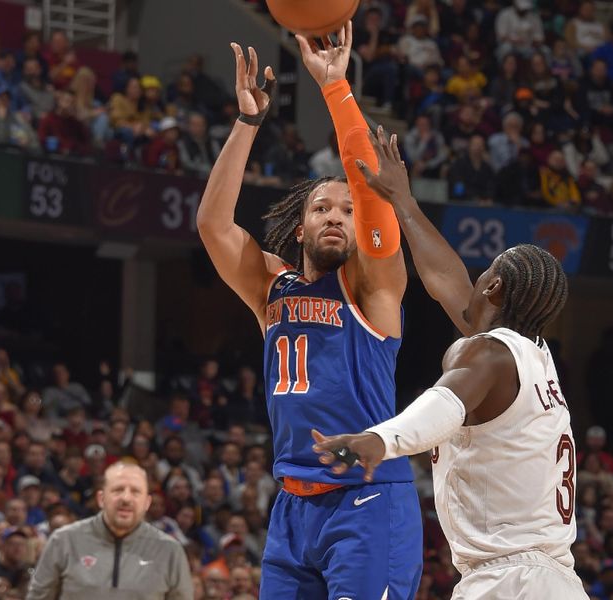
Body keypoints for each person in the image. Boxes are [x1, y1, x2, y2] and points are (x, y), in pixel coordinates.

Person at [196, 23, 422, 599]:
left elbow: (373, 192)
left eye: (347, 210)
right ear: (301, 225)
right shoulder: (272, 286)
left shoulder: (375, 286)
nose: (337, 216)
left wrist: (336, 89)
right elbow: (213, 226)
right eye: (323, 207)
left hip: (366, 497)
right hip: (293, 505)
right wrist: (248, 123)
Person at [311, 128, 586, 598]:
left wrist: (380, 440)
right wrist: (403, 203)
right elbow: (447, 280)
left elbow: (445, 402)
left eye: (485, 274)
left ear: (494, 289)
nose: (473, 279)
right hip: (553, 578)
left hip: (510, 582)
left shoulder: (486, 353)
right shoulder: (529, 357)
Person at [27, 462, 194, 599]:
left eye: (135, 492)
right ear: (101, 499)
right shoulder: (64, 540)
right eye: (117, 490)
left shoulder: (169, 550)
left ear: (147, 503)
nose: (126, 499)